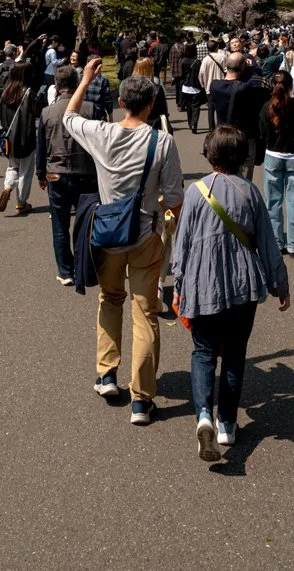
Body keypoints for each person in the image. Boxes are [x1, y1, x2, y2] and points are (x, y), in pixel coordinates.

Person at [64, 59, 183, 426]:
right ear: (150, 105)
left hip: (106, 234)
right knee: (146, 312)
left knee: (110, 299)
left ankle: (106, 374)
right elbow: (175, 196)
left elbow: (69, 117)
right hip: (145, 234)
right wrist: (168, 226)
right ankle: (142, 400)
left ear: (119, 101)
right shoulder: (161, 141)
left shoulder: (101, 133)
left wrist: (85, 80)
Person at [171, 124, 290, 461]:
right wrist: (279, 284)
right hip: (243, 285)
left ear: (210, 155)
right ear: (240, 157)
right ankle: (226, 422)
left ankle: (203, 416)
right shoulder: (250, 192)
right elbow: (267, 242)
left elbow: (181, 245)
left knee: (204, 352)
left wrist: (178, 285)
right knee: (235, 351)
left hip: (202, 283)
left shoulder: (195, 192)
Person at [36, 65, 95, 285]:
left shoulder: (47, 112)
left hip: (57, 172)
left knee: (60, 225)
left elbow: (41, 146)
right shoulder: (90, 108)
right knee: (86, 224)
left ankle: (65, 270)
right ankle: (84, 266)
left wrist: (40, 173)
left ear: (57, 86)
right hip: (87, 172)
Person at [259, 70, 294, 256]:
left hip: (272, 155)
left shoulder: (265, 107)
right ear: (291, 86)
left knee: (273, 201)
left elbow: (262, 132)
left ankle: (277, 243)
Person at [208, 52, 268, 181]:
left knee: (223, 176)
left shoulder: (215, 86)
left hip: (222, 137)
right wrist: (251, 69)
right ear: (243, 68)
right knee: (244, 180)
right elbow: (258, 84)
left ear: (226, 66)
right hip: (244, 138)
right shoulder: (246, 89)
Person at [0, 61, 39, 217]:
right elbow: (36, 113)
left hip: (9, 138)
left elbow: (0, 116)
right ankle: (21, 203)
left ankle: (8, 187)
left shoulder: (6, 92)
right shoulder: (28, 93)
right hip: (25, 138)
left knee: (13, 166)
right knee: (25, 172)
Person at [132, 56, 171, 129]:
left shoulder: (131, 88)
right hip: (154, 126)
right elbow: (163, 110)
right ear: (149, 69)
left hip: (135, 125)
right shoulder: (157, 88)